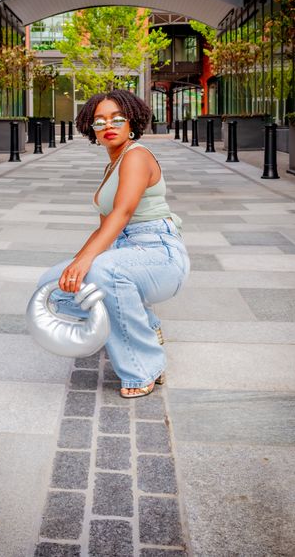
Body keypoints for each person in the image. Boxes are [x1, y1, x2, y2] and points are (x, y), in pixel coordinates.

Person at [36, 89, 190, 398]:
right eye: (99, 121)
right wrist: (76, 264)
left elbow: (123, 213)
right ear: (90, 129)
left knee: (103, 271)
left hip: (159, 252)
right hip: (125, 253)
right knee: (53, 285)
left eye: (117, 118)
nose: (109, 125)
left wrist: (86, 263)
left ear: (132, 121)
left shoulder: (137, 155)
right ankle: (145, 323)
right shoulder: (113, 164)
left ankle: (144, 368)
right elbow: (104, 229)